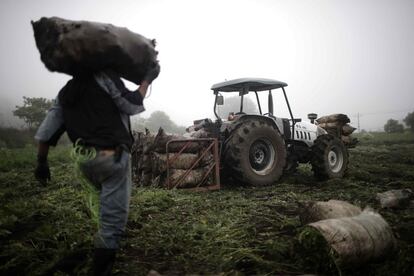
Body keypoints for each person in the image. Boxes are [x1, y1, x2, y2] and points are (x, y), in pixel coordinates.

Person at [34, 65, 160, 275]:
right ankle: (101, 267)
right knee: (113, 219)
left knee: (103, 205)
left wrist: (41, 162)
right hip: (112, 159)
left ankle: (103, 240)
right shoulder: (106, 79)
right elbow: (132, 104)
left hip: (85, 161)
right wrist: (147, 80)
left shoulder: (67, 90)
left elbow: (48, 129)